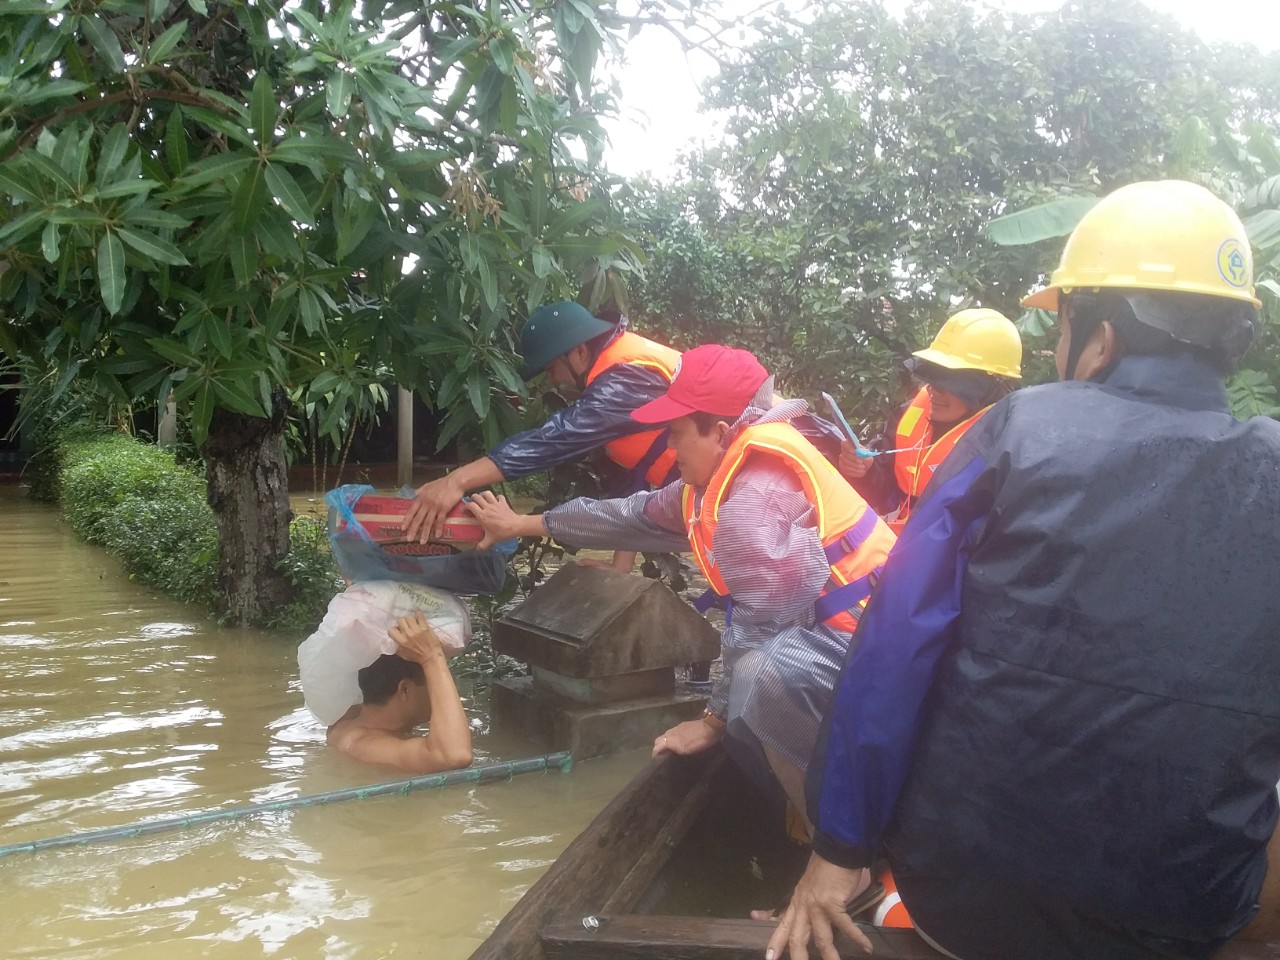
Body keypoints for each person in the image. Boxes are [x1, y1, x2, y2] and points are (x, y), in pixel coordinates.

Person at [767, 179, 1280, 960]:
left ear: (1100, 337)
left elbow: (898, 645)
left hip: (965, 902)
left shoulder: (1016, 430)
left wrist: (838, 848)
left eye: (1063, 326)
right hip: (1180, 918)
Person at [464, 345, 896, 826]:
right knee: (745, 693)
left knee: (756, 679)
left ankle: (835, 849)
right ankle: (805, 813)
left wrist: (708, 722)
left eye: (675, 435)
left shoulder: (753, 503)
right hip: (830, 634)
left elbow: (761, 630)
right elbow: (627, 516)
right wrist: (522, 523)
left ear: (722, 432)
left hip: (875, 641)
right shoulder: (711, 481)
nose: (669, 449)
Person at [402, 302, 681, 572]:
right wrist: (619, 568)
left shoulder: (624, 378)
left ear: (579, 351)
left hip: (722, 495)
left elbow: (555, 439)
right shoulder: (623, 365)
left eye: (551, 368)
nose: (553, 380)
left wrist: (457, 480)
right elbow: (631, 484)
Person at [838, 308, 1021, 532]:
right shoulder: (908, 414)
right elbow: (886, 488)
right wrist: (865, 471)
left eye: (949, 384)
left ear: (986, 387)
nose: (934, 391)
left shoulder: (1007, 444)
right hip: (896, 542)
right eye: (933, 379)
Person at [327, 611, 473, 774]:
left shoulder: (341, 721)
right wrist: (432, 658)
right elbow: (454, 756)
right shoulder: (367, 745)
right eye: (434, 680)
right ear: (405, 690)